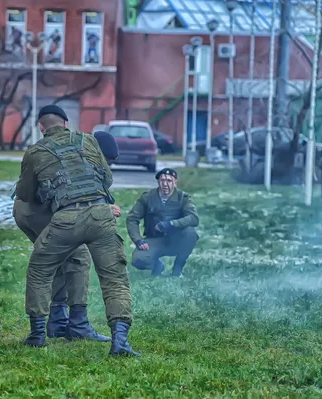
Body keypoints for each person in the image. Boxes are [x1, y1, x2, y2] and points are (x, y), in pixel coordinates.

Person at [16, 105, 139, 356]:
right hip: (101, 215)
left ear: (41, 127)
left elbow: (26, 194)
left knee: (40, 270)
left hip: (66, 218)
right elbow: (106, 179)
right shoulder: (89, 140)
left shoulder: (35, 151)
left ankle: (38, 335)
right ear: (65, 122)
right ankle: (120, 342)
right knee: (114, 278)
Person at [12, 130, 120, 343]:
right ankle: (75, 324)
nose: (107, 165)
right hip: (35, 211)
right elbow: (78, 198)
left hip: (31, 210)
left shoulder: (73, 148)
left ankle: (57, 321)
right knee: (76, 256)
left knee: (61, 258)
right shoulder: (81, 155)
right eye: (107, 161)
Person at [126, 168, 199, 277]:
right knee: (138, 260)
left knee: (191, 233)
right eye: (162, 180)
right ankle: (157, 265)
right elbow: (132, 218)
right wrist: (138, 240)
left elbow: (193, 218)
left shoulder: (182, 198)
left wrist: (171, 224)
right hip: (154, 239)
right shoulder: (148, 197)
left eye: (169, 181)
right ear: (158, 182)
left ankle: (177, 270)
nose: (165, 184)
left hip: (175, 240)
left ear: (175, 183)